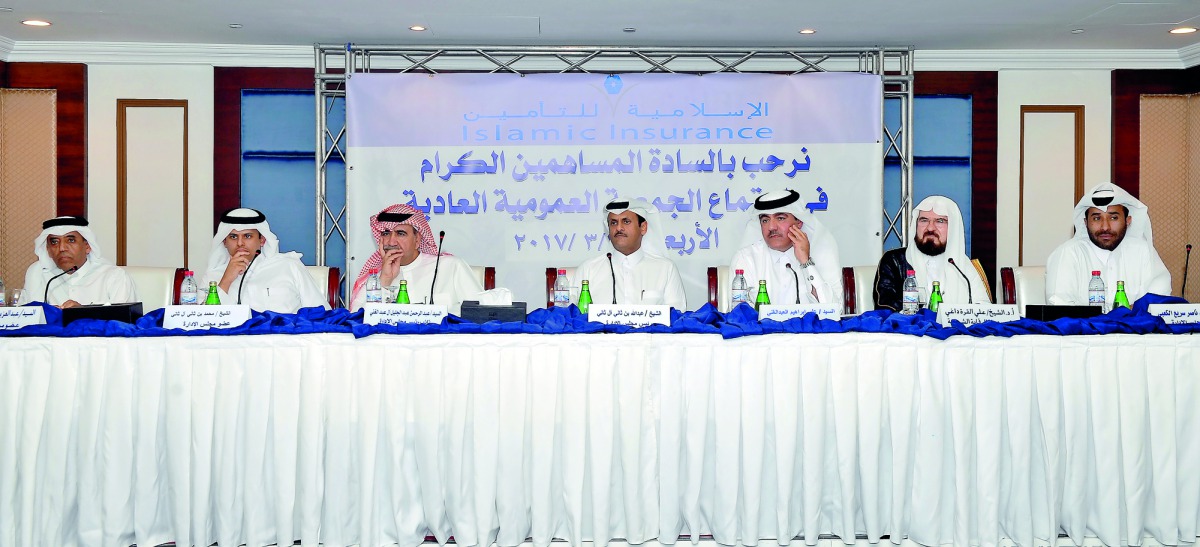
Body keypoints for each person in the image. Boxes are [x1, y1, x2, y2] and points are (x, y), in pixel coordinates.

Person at [1045, 183, 1170, 305]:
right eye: (1097, 218)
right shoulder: (1068, 254)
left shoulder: (1143, 251)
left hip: (1134, 327)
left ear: (1128, 221)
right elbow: (1058, 306)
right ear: (1085, 222)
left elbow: (1159, 299)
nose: (1105, 227)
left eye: (1113, 218)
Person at [349, 204, 483, 314]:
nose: (391, 241)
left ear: (417, 240)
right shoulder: (375, 277)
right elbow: (355, 318)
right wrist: (385, 280)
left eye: (400, 233)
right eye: (386, 233)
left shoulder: (450, 266)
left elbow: (482, 313)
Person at [873, 195, 989, 311]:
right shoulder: (894, 261)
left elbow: (983, 308)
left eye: (940, 221)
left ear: (953, 228)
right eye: (924, 220)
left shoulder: (961, 264)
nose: (930, 228)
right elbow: (884, 306)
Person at [202, 208, 329, 313]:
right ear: (224, 242)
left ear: (262, 240)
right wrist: (226, 280)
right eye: (233, 237)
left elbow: (320, 312)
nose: (240, 243)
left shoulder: (289, 266)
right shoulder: (213, 276)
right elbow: (202, 320)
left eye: (247, 236)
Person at [730, 189, 843, 306]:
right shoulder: (745, 259)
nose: (772, 227)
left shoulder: (822, 254)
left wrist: (806, 262)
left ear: (799, 222)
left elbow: (833, 310)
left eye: (780, 218)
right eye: (765, 220)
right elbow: (739, 315)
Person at [572, 197, 686, 309]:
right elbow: (572, 317)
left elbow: (677, 317)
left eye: (626, 222)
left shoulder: (665, 269)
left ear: (643, 227)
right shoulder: (588, 269)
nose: (619, 228)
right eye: (613, 223)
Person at [18, 215, 138, 308]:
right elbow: (23, 317)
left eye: (70, 240)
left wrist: (82, 314)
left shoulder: (114, 277)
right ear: (48, 250)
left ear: (87, 246)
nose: (62, 248)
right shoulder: (37, 273)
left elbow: (125, 323)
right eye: (54, 242)